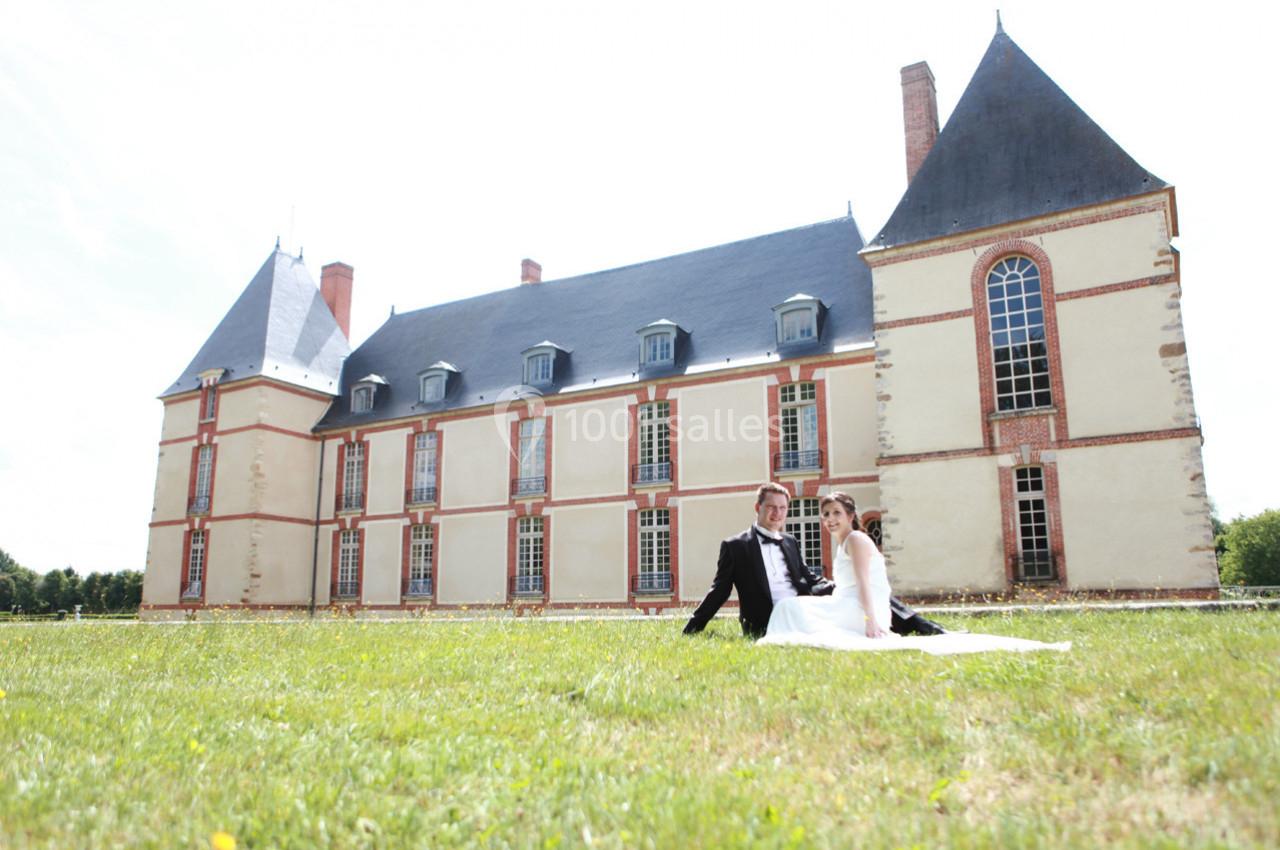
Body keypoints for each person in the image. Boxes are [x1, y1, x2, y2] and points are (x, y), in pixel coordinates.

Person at [682, 483, 946, 639]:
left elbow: (808, 578)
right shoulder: (736, 546)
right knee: (853, 594)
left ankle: (924, 627)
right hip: (765, 620)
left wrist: (840, 588)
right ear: (757, 508)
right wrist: (692, 629)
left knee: (858, 590)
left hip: (804, 604)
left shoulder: (790, 542)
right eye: (771, 507)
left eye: (783, 508)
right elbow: (719, 590)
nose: (777, 513)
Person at [762, 491, 893, 642]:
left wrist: (870, 621)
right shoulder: (844, 544)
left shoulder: (856, 540)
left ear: (850, 516)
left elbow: (863, 583)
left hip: (864, 612)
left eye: (837, 513)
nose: (830, 519)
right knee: (787, 605)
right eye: (826, 514)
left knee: (789, 607)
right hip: (848, 606)